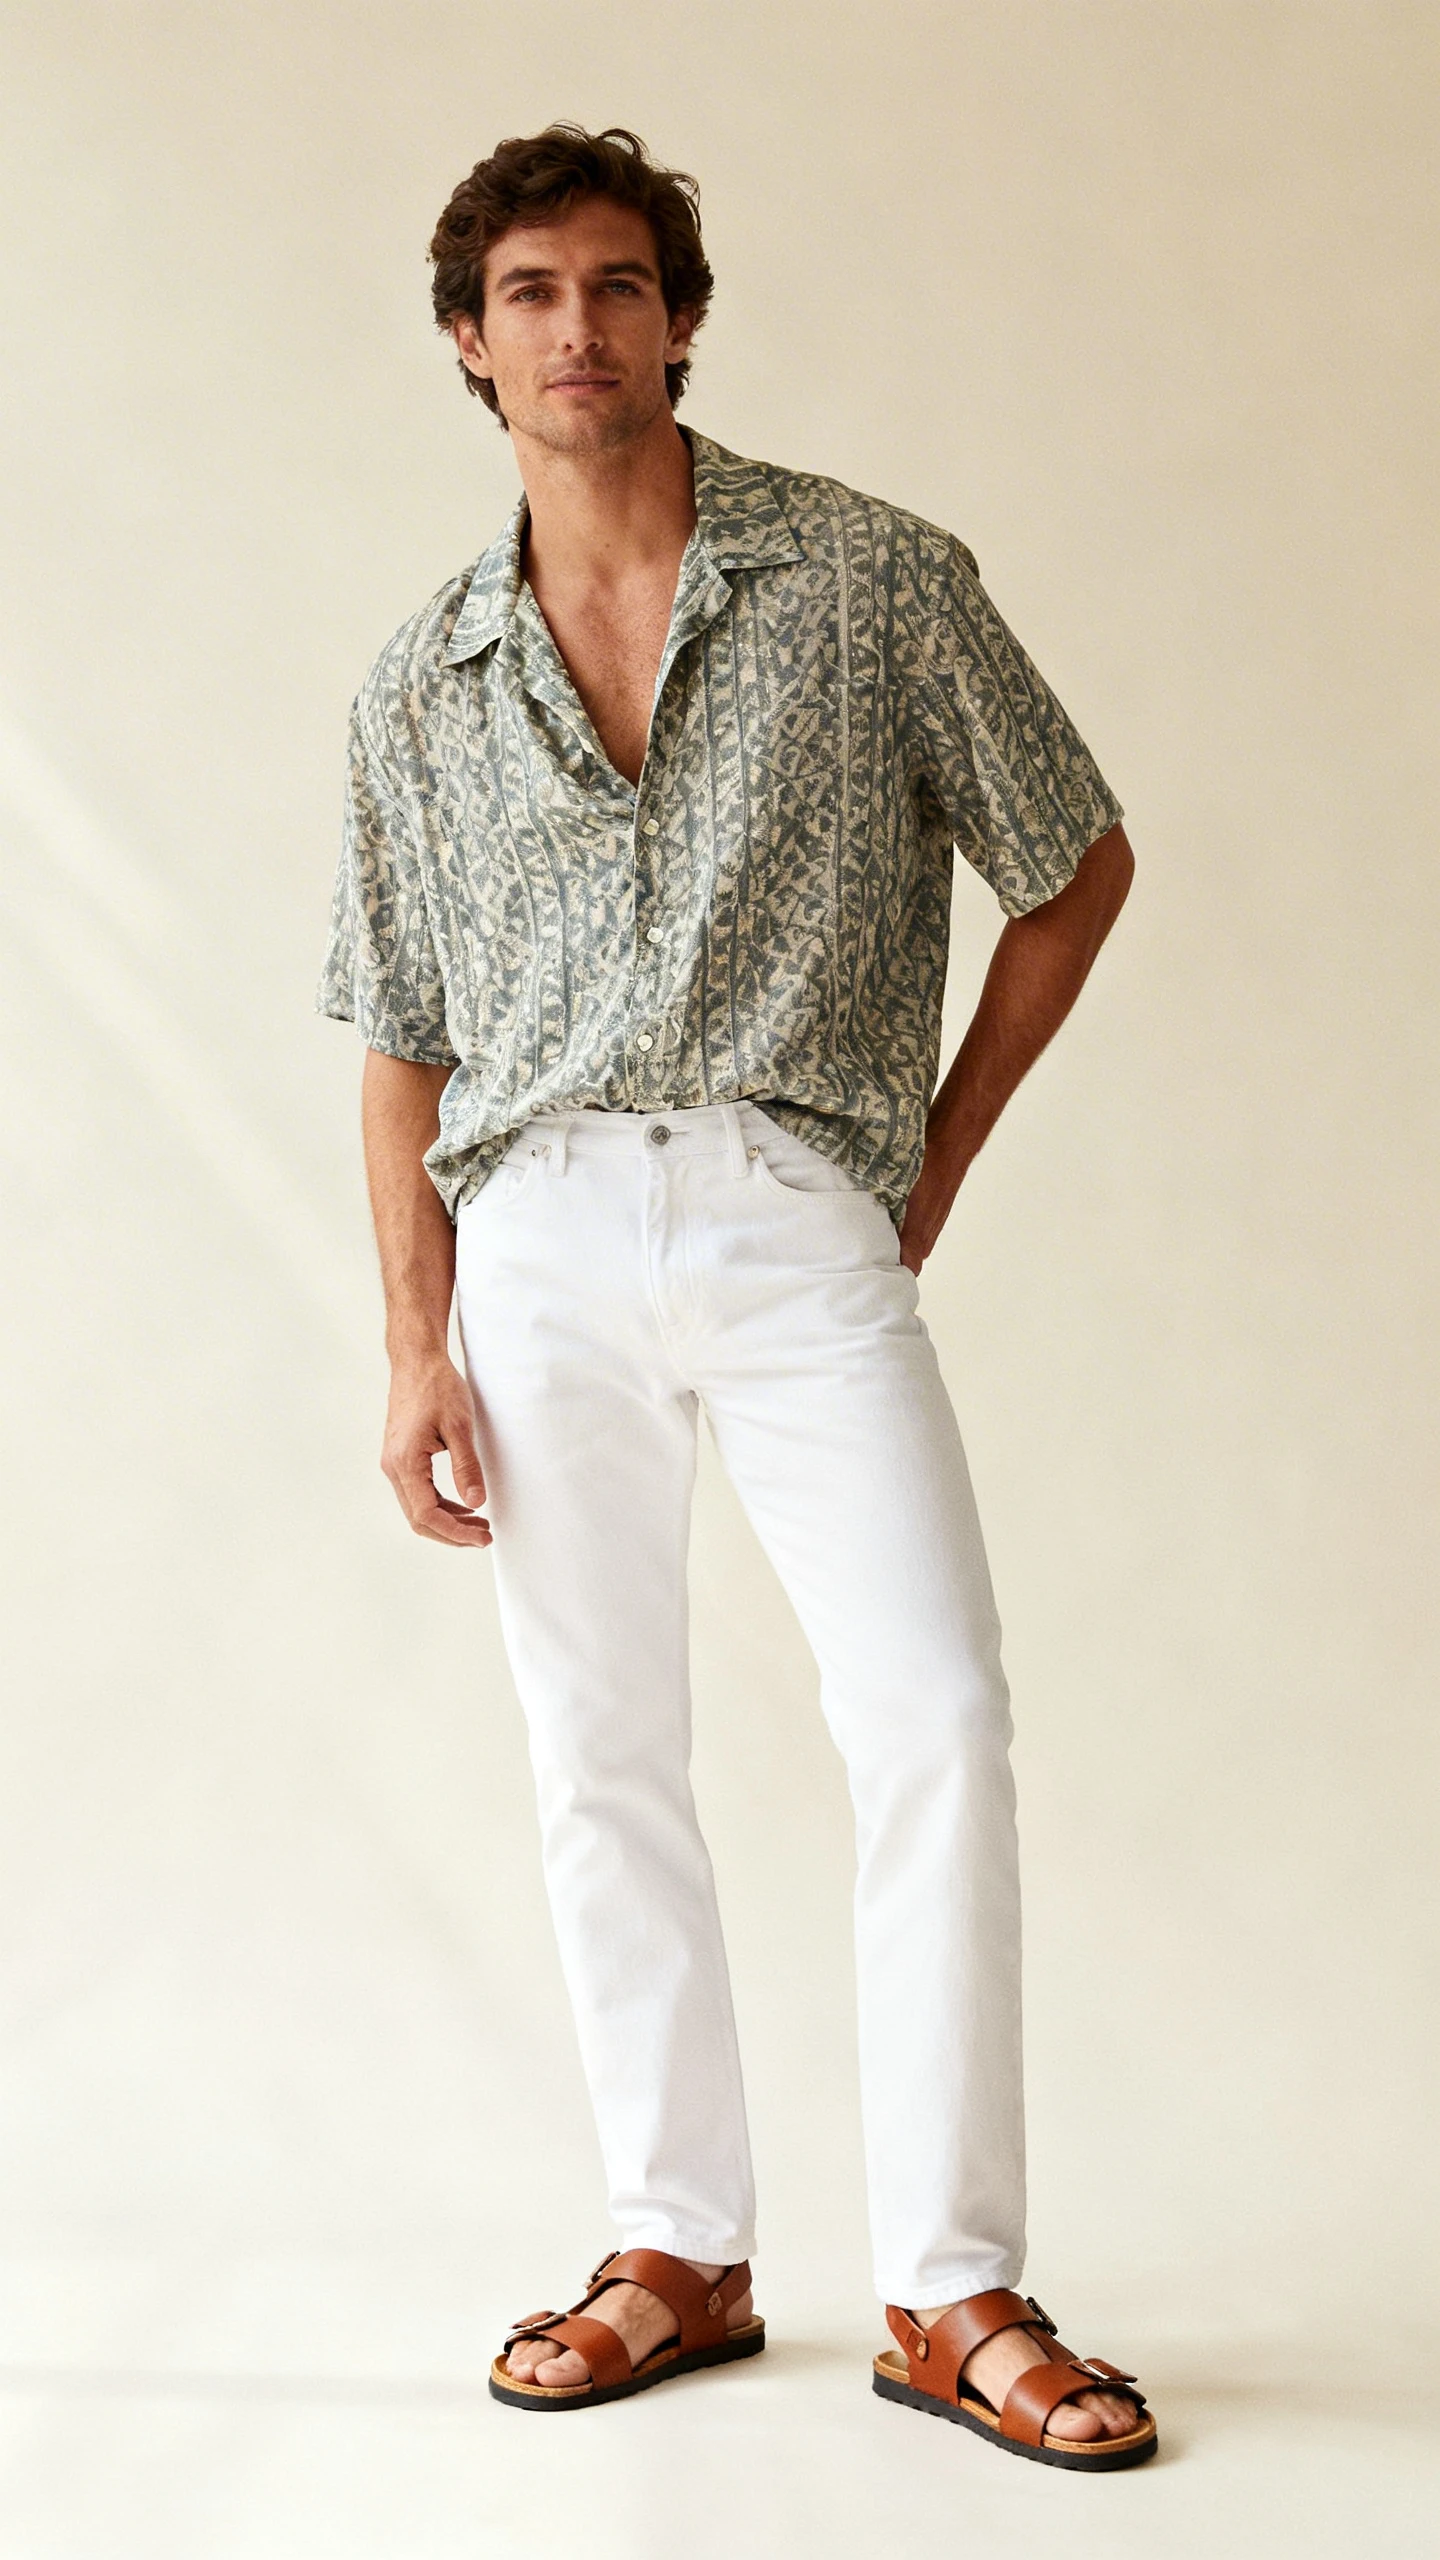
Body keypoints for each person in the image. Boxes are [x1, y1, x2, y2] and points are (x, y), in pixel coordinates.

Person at [317, 123, 1157, 2470]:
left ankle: (954, 2278)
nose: (574, 326)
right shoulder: (422, 679)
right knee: (603, 1751)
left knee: (937, 1713)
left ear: (681, 314)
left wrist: (933, 1153)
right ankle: (674, 2240)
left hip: (801, 1210)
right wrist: (414, 1340)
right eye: (525, 291)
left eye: (614, 283)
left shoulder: (872, 580)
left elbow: (1074, 858)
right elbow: (398, 1028)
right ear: (469, 344)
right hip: (540, 1241)